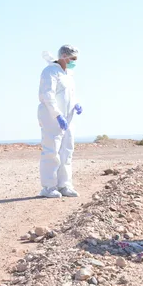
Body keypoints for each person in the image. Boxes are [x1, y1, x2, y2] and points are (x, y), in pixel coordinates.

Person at [37, 45, 83, 198]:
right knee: (51, 151)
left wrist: (76, 103)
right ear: (63, 56)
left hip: (68, 119)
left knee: (66, 151)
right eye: (72, 58)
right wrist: (57, 114)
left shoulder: (68, 74)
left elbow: (69, 94)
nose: (74, 62)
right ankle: (49, 187)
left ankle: (64, 185)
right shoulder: (50, 72)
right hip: (52, 118)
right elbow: (47, 95)